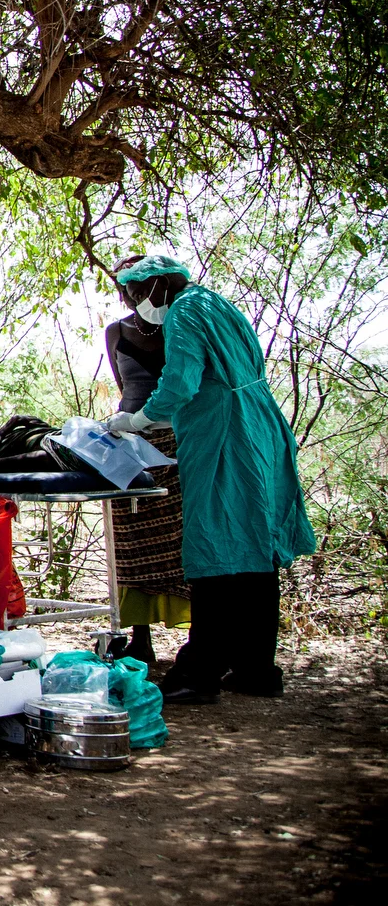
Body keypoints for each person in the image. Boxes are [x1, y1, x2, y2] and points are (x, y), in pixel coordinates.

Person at [104, 255, 316, 702]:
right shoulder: (218, 303)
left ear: (159, 286)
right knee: (256, 554)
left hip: (221, 432)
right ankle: (257, 670)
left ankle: (198, 674)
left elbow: (180, 382)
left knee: (214, 548)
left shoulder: (184, 311)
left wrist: (138, 420)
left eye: (139, 292)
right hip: (258, 428)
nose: (136, 302)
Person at [102, 255, 192, 666]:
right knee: (131, 537)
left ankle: (198, 634)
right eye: (130, 287)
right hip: (132, 443)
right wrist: (133, 423)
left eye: (145, 284)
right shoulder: (116, 332)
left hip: (180, 442)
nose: (138, 293)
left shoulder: (182, 322)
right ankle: (140, 637)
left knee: (183, 539)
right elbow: (126, 386)